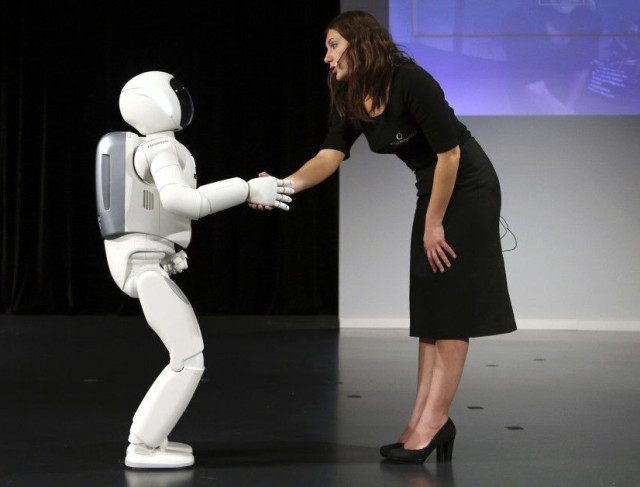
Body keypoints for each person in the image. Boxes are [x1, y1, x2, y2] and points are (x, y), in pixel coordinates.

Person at [250, 10, 516, 463]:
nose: (327, 56)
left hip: (466, 185)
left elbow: (449, 154)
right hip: (432, 188)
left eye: (334, 45)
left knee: (450, 306)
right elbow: (329, 155)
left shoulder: (410, 81)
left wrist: (434, 223)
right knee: (432, 306)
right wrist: (281, 186)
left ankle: (434, 420)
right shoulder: (349, 95)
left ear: (360, 42)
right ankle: (421, 421)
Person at [96, 71, 293, 468]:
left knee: (186, 354)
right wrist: (249, 189)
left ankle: (151, 440)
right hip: (145, 269)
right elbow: (182, 201)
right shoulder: (159, 147)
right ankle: (143, 446)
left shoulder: (153, 146)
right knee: (187, 356)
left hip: (149, 264)